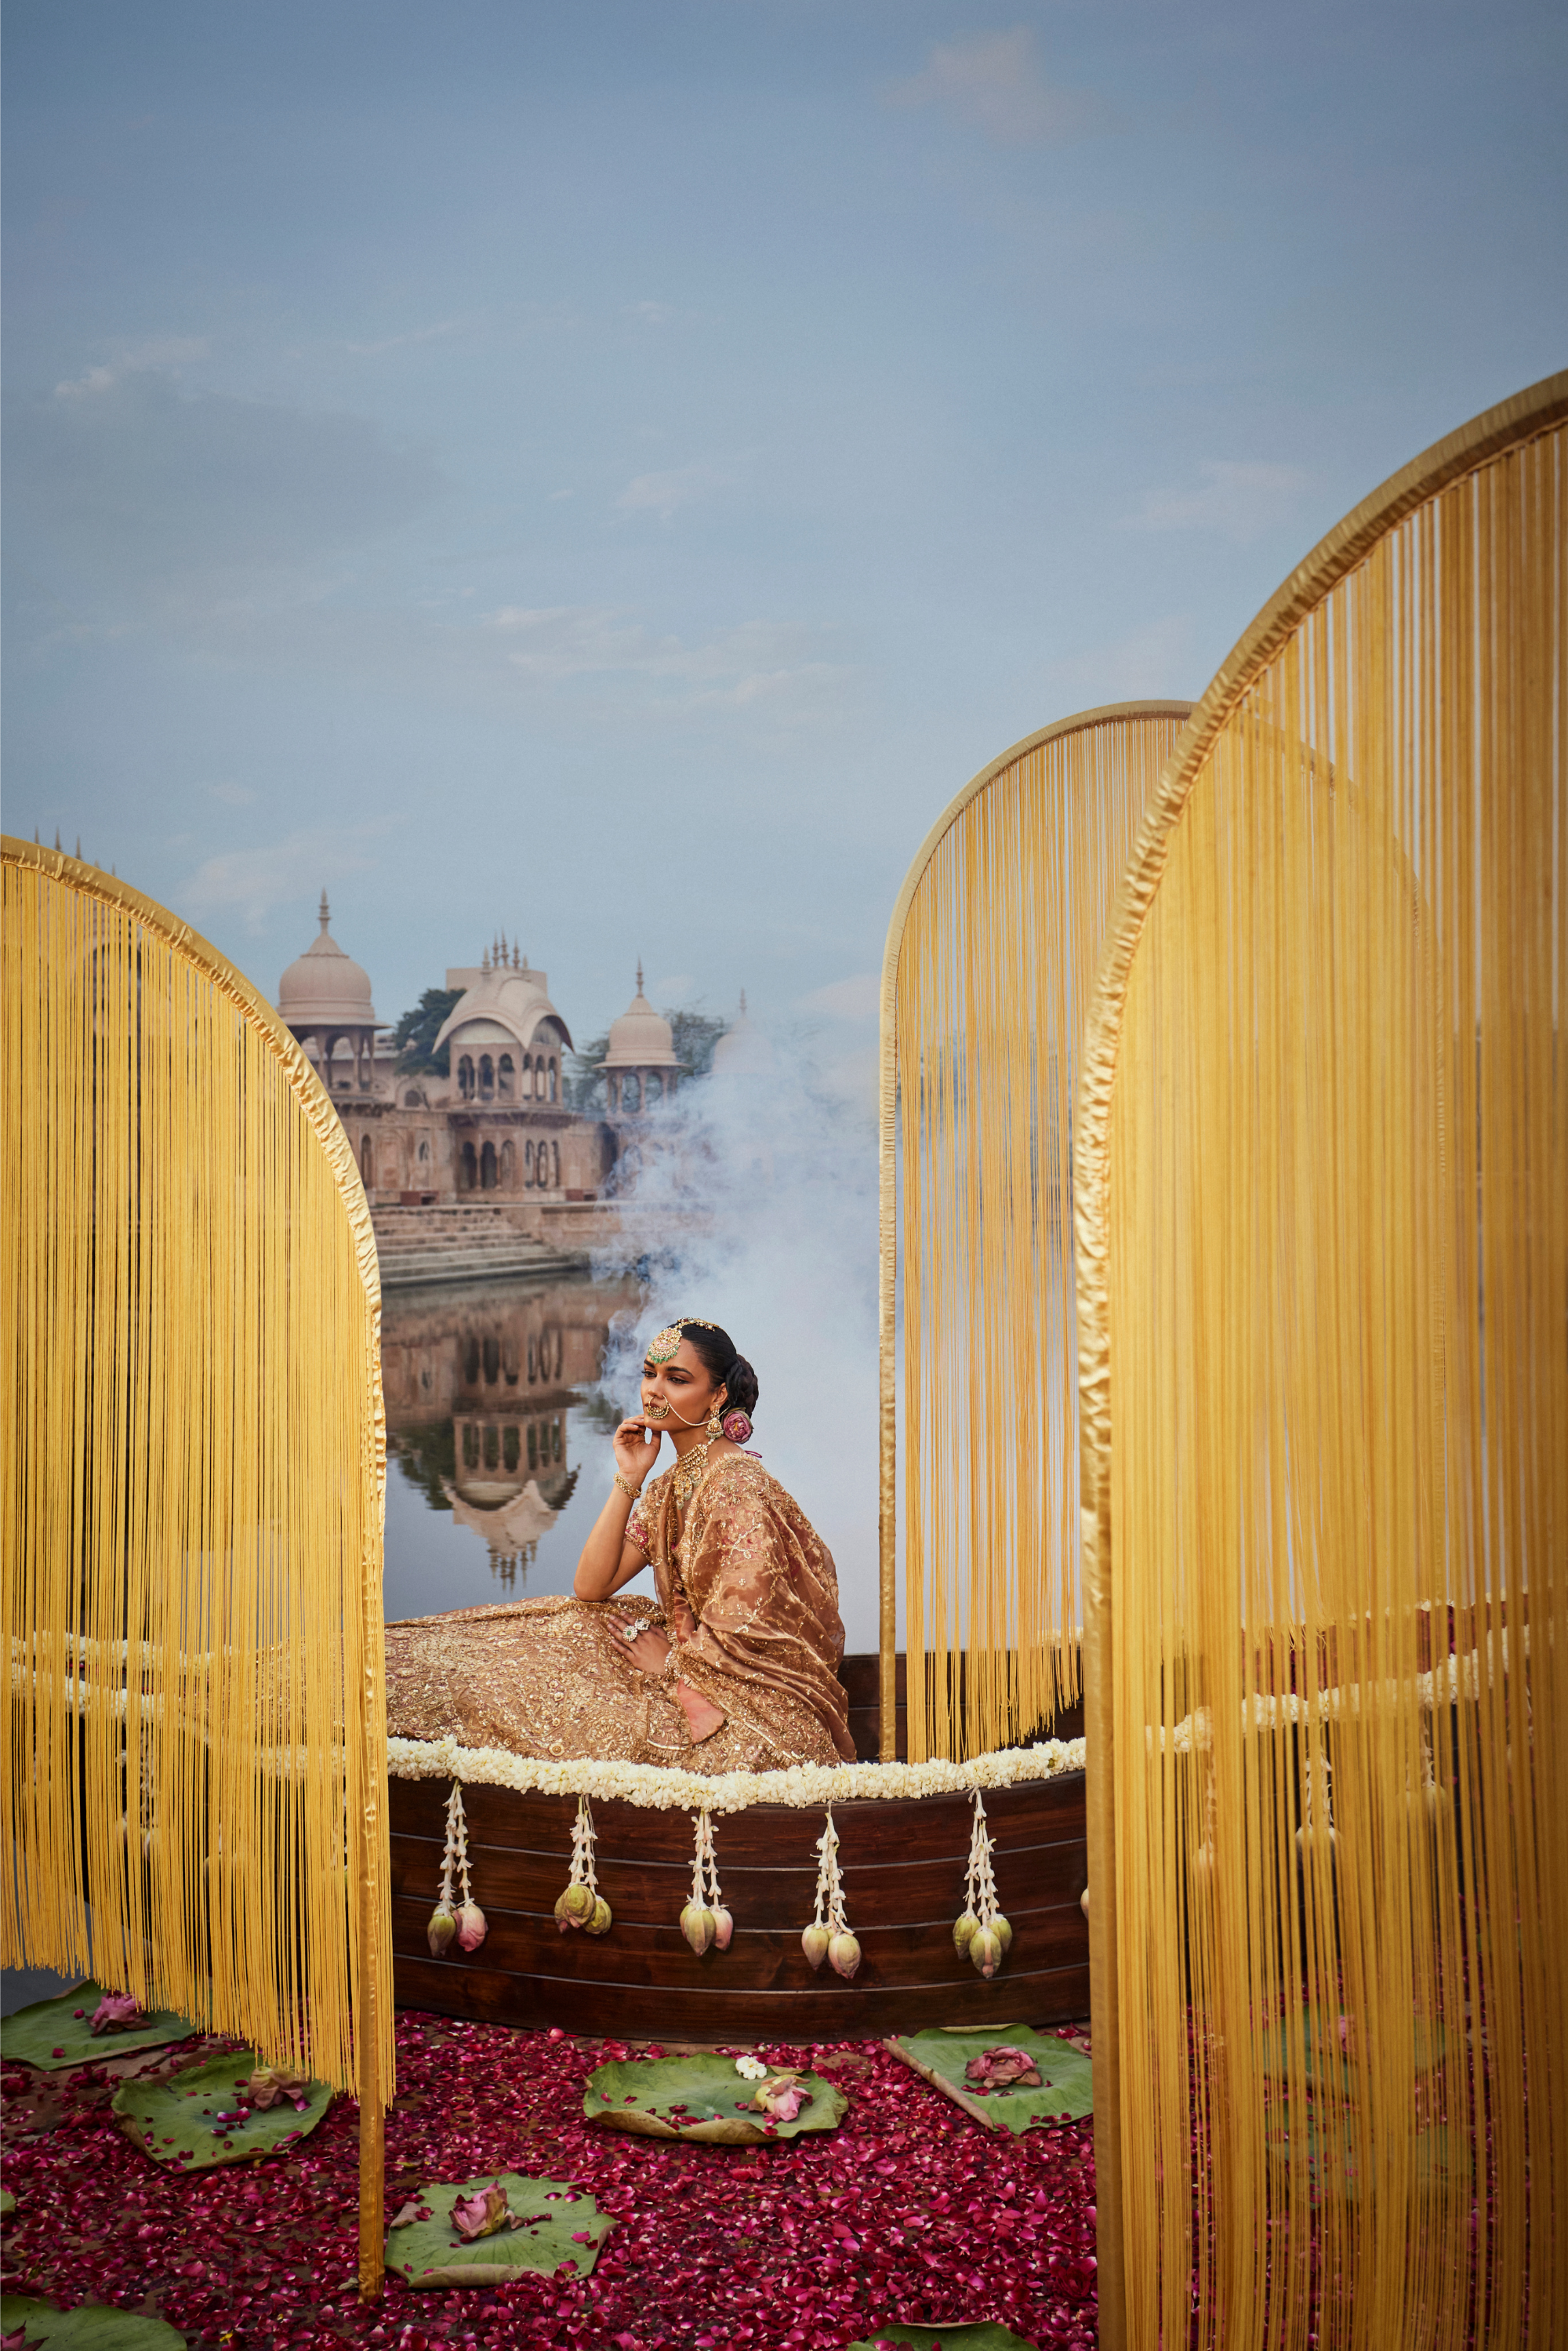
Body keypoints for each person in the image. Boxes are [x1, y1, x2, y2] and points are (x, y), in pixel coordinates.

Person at [384, 1317, 855, 1771]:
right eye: (650, 1373)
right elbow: (592, 1586)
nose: (654, 1390)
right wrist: (630, 1477)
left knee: (541, 1698)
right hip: (692, 1663)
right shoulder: (671, 1486)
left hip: (749, 1708)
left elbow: (754, 1632)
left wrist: (671, 1662)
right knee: (572, 1624)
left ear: (718, 1396)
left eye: (677, 1378)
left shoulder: (737, 1488)